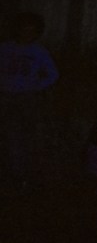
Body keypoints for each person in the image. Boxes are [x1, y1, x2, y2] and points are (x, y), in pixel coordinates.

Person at [0, 12, 59, 191]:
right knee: (10, 134)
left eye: (31, 31)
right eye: (24, 29)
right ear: (17, 29)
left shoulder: (39, 51)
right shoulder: (4, 48)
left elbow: (53, 74)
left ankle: (26, 174)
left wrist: (36, 86)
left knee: (29, 135)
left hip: (27, 98)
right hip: (5, 96)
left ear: (36, 33)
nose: (27, 34)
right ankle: (13, 172)